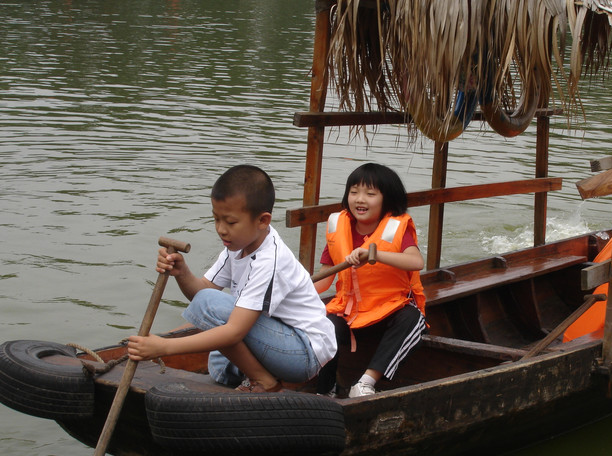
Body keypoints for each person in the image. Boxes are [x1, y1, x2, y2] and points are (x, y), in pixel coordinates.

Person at [127, 164, 337, 393]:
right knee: (218, 367)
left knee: (212, 312)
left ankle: (265, 381)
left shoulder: (269, 259)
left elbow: (226, 322)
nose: (221, 229)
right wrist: (182, 271)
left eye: (230, 222)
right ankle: (260, 375)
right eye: (216, 219)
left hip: (304, 352)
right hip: (276, 340)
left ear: (263, 221)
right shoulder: (237, 245)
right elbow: (203, 289)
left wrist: (164, 347)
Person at [314, 163, 427, 398]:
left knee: (414, 318)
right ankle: (325, 392)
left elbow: (416, 261)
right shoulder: (340, 228)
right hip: (350, 313)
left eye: (370, 193)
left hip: (388, 311)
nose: (359, 199)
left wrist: (373, 254)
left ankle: (365, 383)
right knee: (323, 323)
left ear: (387, 199)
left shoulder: (396, 227)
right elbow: (324, 279)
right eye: (354, 192)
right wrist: (290, 293)